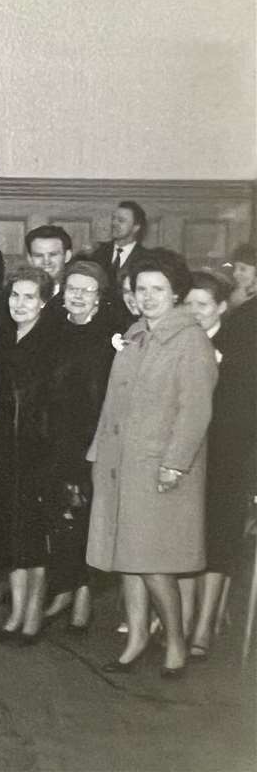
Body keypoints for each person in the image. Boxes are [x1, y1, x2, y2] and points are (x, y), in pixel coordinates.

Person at [87, 254, 216, 678]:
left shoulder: (190, 340)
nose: (148, 297)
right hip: (121, 464)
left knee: (154, 563)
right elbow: (113, 401)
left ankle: (176, 641)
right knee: (128, 559)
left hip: (161, 468)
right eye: (141, 289)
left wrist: (174, 465)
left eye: (157, 289)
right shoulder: (136, 333)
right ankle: (136, 639)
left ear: (176, 292)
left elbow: (194, 412)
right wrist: (97, 452)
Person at [0, 265, 62, 645]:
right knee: (10, 538)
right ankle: (16, 612)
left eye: (29, 297)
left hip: (37, 455)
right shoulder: (2, 338)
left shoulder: (51, 345)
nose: (20, 303)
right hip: (3, 454)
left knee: (33, 538)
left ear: (44, 302)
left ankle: (33, 615)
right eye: (15, 295)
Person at [183, 271, 256, 659]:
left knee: (217, 542)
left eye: (203, 305)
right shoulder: (178, 342)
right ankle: (181, 618)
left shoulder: (237, 347)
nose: (194, 312)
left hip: (225, 456)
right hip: (188, 457)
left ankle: (204, 625)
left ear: (222, 309)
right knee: (187, 541)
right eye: (189, 303)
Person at [41, 261, 116, 632]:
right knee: (59, 518)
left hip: (93, 440)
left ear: (99, 297)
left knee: (86, 519)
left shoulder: (109, 337)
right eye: (72, 288)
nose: (78, 295)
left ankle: (83, 594)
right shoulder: (53, 330)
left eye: (87, 290)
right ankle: (64, 589)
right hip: (55, 438)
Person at [86, 201, 154, 319]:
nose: (114, 223)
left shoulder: (147, 259)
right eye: (114, 219)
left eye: (121, 221)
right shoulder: (97, 253)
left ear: (136, 227)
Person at [24, 225, 72, 304]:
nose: (46, 261)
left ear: (67, 256)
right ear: (30, 259)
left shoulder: (77, 297)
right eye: (39, 255)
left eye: (53, 254)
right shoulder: (14, 297)